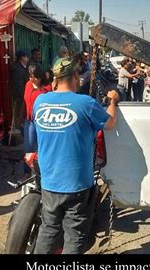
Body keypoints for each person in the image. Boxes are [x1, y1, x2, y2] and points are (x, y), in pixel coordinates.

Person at [31, 59, 119, 254]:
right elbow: (110, 122)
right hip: (77, 184)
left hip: (49, 182)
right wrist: (113, 100)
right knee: (75, 235)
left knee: (49, 229)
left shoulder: (39, 102)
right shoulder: (85, 103)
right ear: (74, 78)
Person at [22, 64, 51, 172]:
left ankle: (42, 171)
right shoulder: (28, 85)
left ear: (40, 76)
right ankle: (27, 172)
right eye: (30, 76)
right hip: (29, 120)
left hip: (41, 121)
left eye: (35, 77)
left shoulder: (47, 88)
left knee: (41, 147)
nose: (32, 79)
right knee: (28, 147)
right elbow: (24, 101)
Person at [9, 50, 29, 132]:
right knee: (18, 111)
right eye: (25, 56)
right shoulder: (17, 68)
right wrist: (23, 95)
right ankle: (18, 128)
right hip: (19, 94)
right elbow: (18, 84)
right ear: (22, 58)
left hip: (22, 93)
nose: (27, 58)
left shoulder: (23, 67)